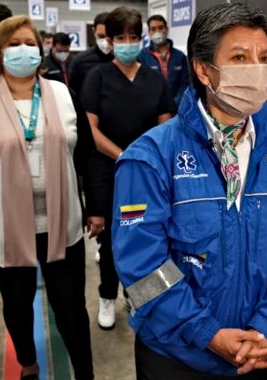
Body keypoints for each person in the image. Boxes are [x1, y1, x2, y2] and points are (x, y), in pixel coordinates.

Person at [112, 3, 267, 378]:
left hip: (254, 351)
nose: (257, 69)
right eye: (240, 57)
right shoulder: (150, 157)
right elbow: (142, 265)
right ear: (204, 70)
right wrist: (206, 333)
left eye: (264, 57)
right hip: (174, 355)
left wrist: (265, 328)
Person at [0, 15, 109, 380]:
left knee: (70, 306)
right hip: (7, 224)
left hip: (62, 223)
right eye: (13, 44)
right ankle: (27, 361)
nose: (24, 50)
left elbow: (87, 154)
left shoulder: (64, 95)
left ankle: (85, 371)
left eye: (30, 43)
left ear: (41, 49)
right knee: (17, 306)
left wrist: (96, 206)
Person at [80, 6, 176, 331]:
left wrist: (149, 160)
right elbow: (89, 130)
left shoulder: (154, 79)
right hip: (110, 170)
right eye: (119, 37)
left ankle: (137, 296)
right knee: (111, 240)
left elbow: (167, 127)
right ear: (109, 40)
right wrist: (124, 155)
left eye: (133, 37)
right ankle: (108, 295)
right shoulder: (98, 76)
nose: (126, 43)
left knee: (148, 236)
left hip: (148, 173)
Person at [138, 15, 190, 106]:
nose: (157, 32)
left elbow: (185, 84)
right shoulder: (142, 56)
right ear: (149, 32)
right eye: (153, 29)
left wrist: (174, 104)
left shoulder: (180, 56)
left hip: (176, 109)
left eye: (160, 28)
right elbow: (140, 84)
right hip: (152, 108)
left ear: (167, 29)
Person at [68, 12, 113, 95]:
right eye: (101, 36)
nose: (106, 41)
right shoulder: (80, 61)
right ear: (94, 31)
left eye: (109, 36)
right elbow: (73, 94)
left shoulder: (123, 59)